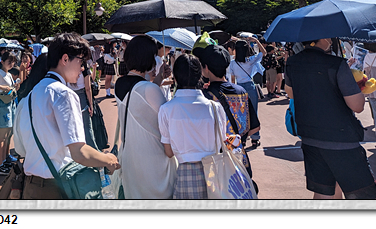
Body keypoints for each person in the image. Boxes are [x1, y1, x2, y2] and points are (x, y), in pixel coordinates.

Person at [14, 33, 120, 200]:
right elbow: (79, 153)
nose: (83, 68)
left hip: (31, 187)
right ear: (65, 59)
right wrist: (108, 159)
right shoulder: (63, 94)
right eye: (81, 61)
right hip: (58, 188)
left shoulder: (30, 95)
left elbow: (20, 149)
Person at [286, 38, 376, 200]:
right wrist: (352, 81)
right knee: (365, 196)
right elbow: (357, 106)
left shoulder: (293, 62)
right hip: (341, 140)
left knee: (324, 193)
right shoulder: (337, 64)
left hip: (310, 138)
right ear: (324, 38)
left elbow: (291, 93)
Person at [114, 34, 177, 199]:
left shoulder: (119, 84)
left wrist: (159, 78)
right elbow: (167, 119)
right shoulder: (150, 89)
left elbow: (141, 98)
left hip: (131, 158)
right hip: (153, 159)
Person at [158, 54, 226, 199]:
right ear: (200, 75)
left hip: (185, 175)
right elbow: (221, 143)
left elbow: (169, 152)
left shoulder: (166, 109)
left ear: (175, 77)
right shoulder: (215, 108)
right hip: (214, 174)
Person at [196, 43, 260, 181]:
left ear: (206, 68)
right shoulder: (241, 92)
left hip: (216, 161)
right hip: (239, 159)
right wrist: (237, 139)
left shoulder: (204, 96)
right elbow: (255, 127)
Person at [227, 37, 265, 147]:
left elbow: (233, 79)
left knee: (241, 114)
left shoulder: (232, 63)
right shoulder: (250, 60)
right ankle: (255, 138)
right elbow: (263, 52)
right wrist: (256, 41)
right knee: (254, 112)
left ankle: (243, 138)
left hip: (239, 88)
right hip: (250, 86)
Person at [66, 56, 98, 150]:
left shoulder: (67, 66)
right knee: (87, 127)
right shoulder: (84, 66)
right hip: (82, 96)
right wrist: (91, 104)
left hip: (69, 96)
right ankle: (93, 151)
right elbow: (88, 88)